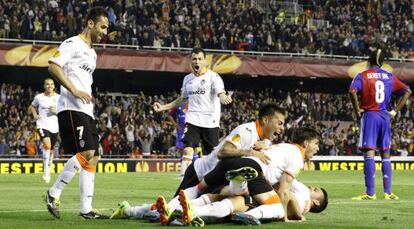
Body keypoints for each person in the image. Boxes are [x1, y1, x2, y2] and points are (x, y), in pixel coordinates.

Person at [110, 104, 286, 223]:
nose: (282, 128)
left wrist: (266, 144)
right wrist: (250, 152)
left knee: (181, 209)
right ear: (265, 120)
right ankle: (129, 211)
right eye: (279, 123)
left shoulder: (261, 137)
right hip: (200, 172)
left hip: (216, 177)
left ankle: (140, 212)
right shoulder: (247, 131)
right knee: (165, 211)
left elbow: (265, 145)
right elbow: (225, 151)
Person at [43, 7, 109, 219]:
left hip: (86, 110)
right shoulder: (72, 44)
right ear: (91, 24)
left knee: (94, 157)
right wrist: (74, 90)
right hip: (71, 107)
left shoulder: (92, 53)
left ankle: (85, 210)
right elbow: (53, 66)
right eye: (102, 27)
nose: (105, 32)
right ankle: (53, 193)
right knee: (87, 153)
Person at [153, 47, 232, 175]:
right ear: (191, 61)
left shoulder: (213, 77)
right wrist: (163, 107)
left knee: (212, 156)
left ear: (205, 61)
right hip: (193, 119)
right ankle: (183, 182)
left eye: (200, 59)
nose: (197, 61)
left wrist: (223, 97)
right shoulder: (187, 79)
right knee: (188, 150)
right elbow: (182, 100)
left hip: (210, 121)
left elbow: (220, 92)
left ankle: (212, 183)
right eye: (194, 59)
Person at [349, 48, 411, 200]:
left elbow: (352, 91)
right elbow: (407, 91)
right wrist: (395, 111)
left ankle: (370, 193)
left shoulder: (362, 75)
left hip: (370, 115)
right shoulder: (389, 76)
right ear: (383, 62)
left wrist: (357, 110)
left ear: (368, 62)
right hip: (385, 116)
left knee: (369, 153)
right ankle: (388, 192)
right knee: (385, 153)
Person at [28, 78, 60, 183]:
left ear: (54, 86)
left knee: (51, 150)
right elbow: (32, 107)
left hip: (55, 127)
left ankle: (49, 166)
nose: (50, 86)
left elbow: (65, 111)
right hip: (42, 125)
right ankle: (46, 171)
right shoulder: (39, 97)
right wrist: (34, 114)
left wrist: (57, 111)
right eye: (47, 84)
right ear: (44, 86)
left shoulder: (60, 98)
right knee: (47, 145)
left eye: (51, 84)